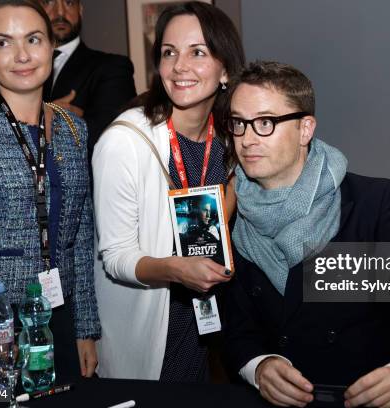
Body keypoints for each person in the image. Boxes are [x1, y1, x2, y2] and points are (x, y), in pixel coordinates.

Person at [223, 61, 390, 408]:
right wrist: (259, 367)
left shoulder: (375, 204)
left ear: (305, 130)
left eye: (265, 122)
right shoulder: (231, 213)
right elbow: (235, 331)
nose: (247, 139)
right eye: (238, 124)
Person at [0, 0, 99, 385]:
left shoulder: (74, 130)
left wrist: (85, 328)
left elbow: (79, 239)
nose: (22, 55)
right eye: (3, 42)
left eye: (33, 39)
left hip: (53, 324)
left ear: (50, 46)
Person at [92, 2, 245, 381]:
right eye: (169, 53)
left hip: (216, 330)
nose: (179, 66)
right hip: (152, 333)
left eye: (198, 52)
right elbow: (116, 257)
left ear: (225, 68)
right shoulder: (125, 142)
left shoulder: (231, 136)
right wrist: (176, 269)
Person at [39, 0, 137, 160]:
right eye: (49, 2)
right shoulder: (8, 70)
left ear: (81, 10)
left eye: (69, 3)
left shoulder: (112, 67)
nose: (60, 13)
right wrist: (44, 115)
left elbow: (113, 138)